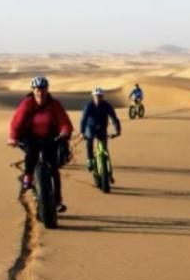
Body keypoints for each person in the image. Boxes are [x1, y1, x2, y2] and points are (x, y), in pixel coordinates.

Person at [8, 76, 73, 212]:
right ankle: (28, 175)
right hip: (30, 136)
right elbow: (17, 122)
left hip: (50, 137)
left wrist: (65, 131)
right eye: (37, 89)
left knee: (54, 169)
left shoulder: (54, 104)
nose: (40, 92)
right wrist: (13, 137)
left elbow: (64, 122)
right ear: (33, 90)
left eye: (43, 89)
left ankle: (57, 201)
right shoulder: (27, 103)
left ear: (47, 90)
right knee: (31, 152)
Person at [80, 87, 122, 175]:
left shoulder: (107, 105)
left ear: (103, 96)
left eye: (100, 96)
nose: (98, 98)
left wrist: (118, 130)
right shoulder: (89, 106)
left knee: (104, 148)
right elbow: (83, 119)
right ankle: (90, 159)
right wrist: (82, 132)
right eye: (96, 96)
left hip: (102, 128)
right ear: (93, 96)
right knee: (89, 139)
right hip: (90, 127)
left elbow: (114, 118)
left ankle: (108, 170)